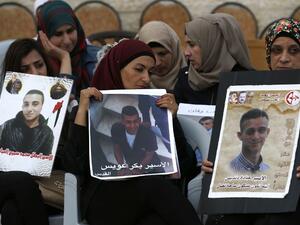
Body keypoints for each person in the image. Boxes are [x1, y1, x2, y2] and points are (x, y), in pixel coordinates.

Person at [62, 39, 202, 225]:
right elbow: (73, 166)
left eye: (149, 72)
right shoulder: (88, 107)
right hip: (106, 201)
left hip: (148, 201)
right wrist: (82, 113)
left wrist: (171, 119)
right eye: (139, 69)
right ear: (116, 67)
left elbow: (186, 165)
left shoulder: (157, 106)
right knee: (154, 186)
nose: (146, 78)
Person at [202, 17, 300, 225]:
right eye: (276, 50)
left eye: (294, 51)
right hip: (249, 191)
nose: (283, 58)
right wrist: (217, 164)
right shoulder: (251, 91)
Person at [174, 13, 253, 105]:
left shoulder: (245, 81)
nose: (186, 53)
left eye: (192, 45)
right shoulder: (186, 77)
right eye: (186, 45)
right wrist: (176, 112)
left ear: (215, 45)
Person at [36, 0, 99, 97]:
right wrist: (65, 58)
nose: (67, 41)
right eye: (58, 34)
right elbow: (62, 101)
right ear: (44, 35)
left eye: (70, 31)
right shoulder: (36, 65)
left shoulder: (95, 59)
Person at [111, 105, 163, 175]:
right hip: (132, 162)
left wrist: (138, 169)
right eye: (128, 122)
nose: (132, 126)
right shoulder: (116, 129)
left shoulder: (149, 134)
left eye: (135, 121)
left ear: (139, 120)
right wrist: (122, 166)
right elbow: (117, 149)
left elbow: (149, 155)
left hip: (152, 164)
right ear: (122, 121)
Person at [136, 20, 186, 91]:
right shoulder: (134, 84)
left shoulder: (191, 81)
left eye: (162, 54)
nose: (157, 63)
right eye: (150, 55)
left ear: (174, 51)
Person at [0, 89, 54, 155]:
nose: (29, 109)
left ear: (41, 106)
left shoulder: (47, 133)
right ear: (22, 106)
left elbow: (45, 161)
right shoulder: (6, 126)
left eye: (35, 104)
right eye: (26, 104)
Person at [230, 108, 270, 173]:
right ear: (240, 136)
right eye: (250, 131)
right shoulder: (225, 169)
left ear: (267, 132)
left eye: (261, 130)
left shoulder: (268, 170)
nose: (256, 137)